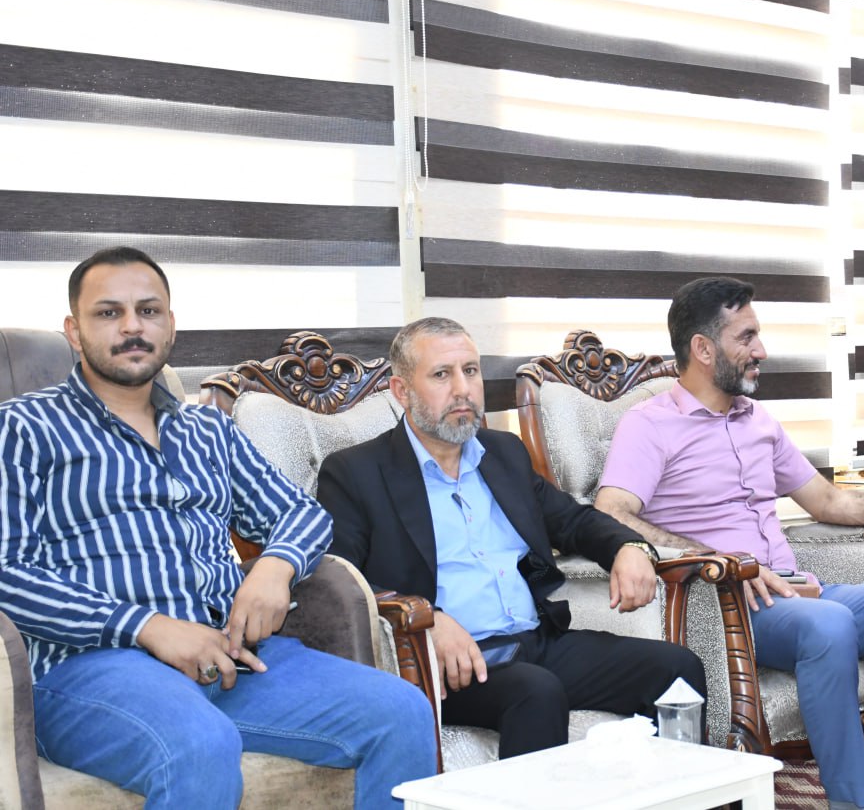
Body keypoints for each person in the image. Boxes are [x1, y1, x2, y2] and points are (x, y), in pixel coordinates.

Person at [0, 246, 436, 808]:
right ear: (74, 332)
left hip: (231, 658)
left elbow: (302, 513)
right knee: (199, 745)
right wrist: (148, 627)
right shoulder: (23, 428)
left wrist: (276, 566)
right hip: (93, 669)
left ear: (171, 325)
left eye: (148, 311)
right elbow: (8, 571)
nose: (132, 326)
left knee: (402, 712)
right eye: (109, 313)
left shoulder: (208, 430)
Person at [596, 276, 864, 810]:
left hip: (803, 593)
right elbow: (612, 511)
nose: (761, 351)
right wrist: (721, 559)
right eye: (746, 337)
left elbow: (825, 500)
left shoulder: (758, 420)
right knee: (828, 623)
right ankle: (851, 803)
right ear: (703, 349)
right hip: (730, 605)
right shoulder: (650, 425)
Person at [316, 317, 706, 759]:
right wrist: (428, 621)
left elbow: (572, 521)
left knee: (676, 669)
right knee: (535, 691)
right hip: (444, 663)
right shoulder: (356, 473)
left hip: (536, 643)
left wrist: (628, 547)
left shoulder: (503, 453)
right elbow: (340, 583)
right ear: (402, 391)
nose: (463, 389)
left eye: (470, 371)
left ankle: (684, 790)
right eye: (442, 374)